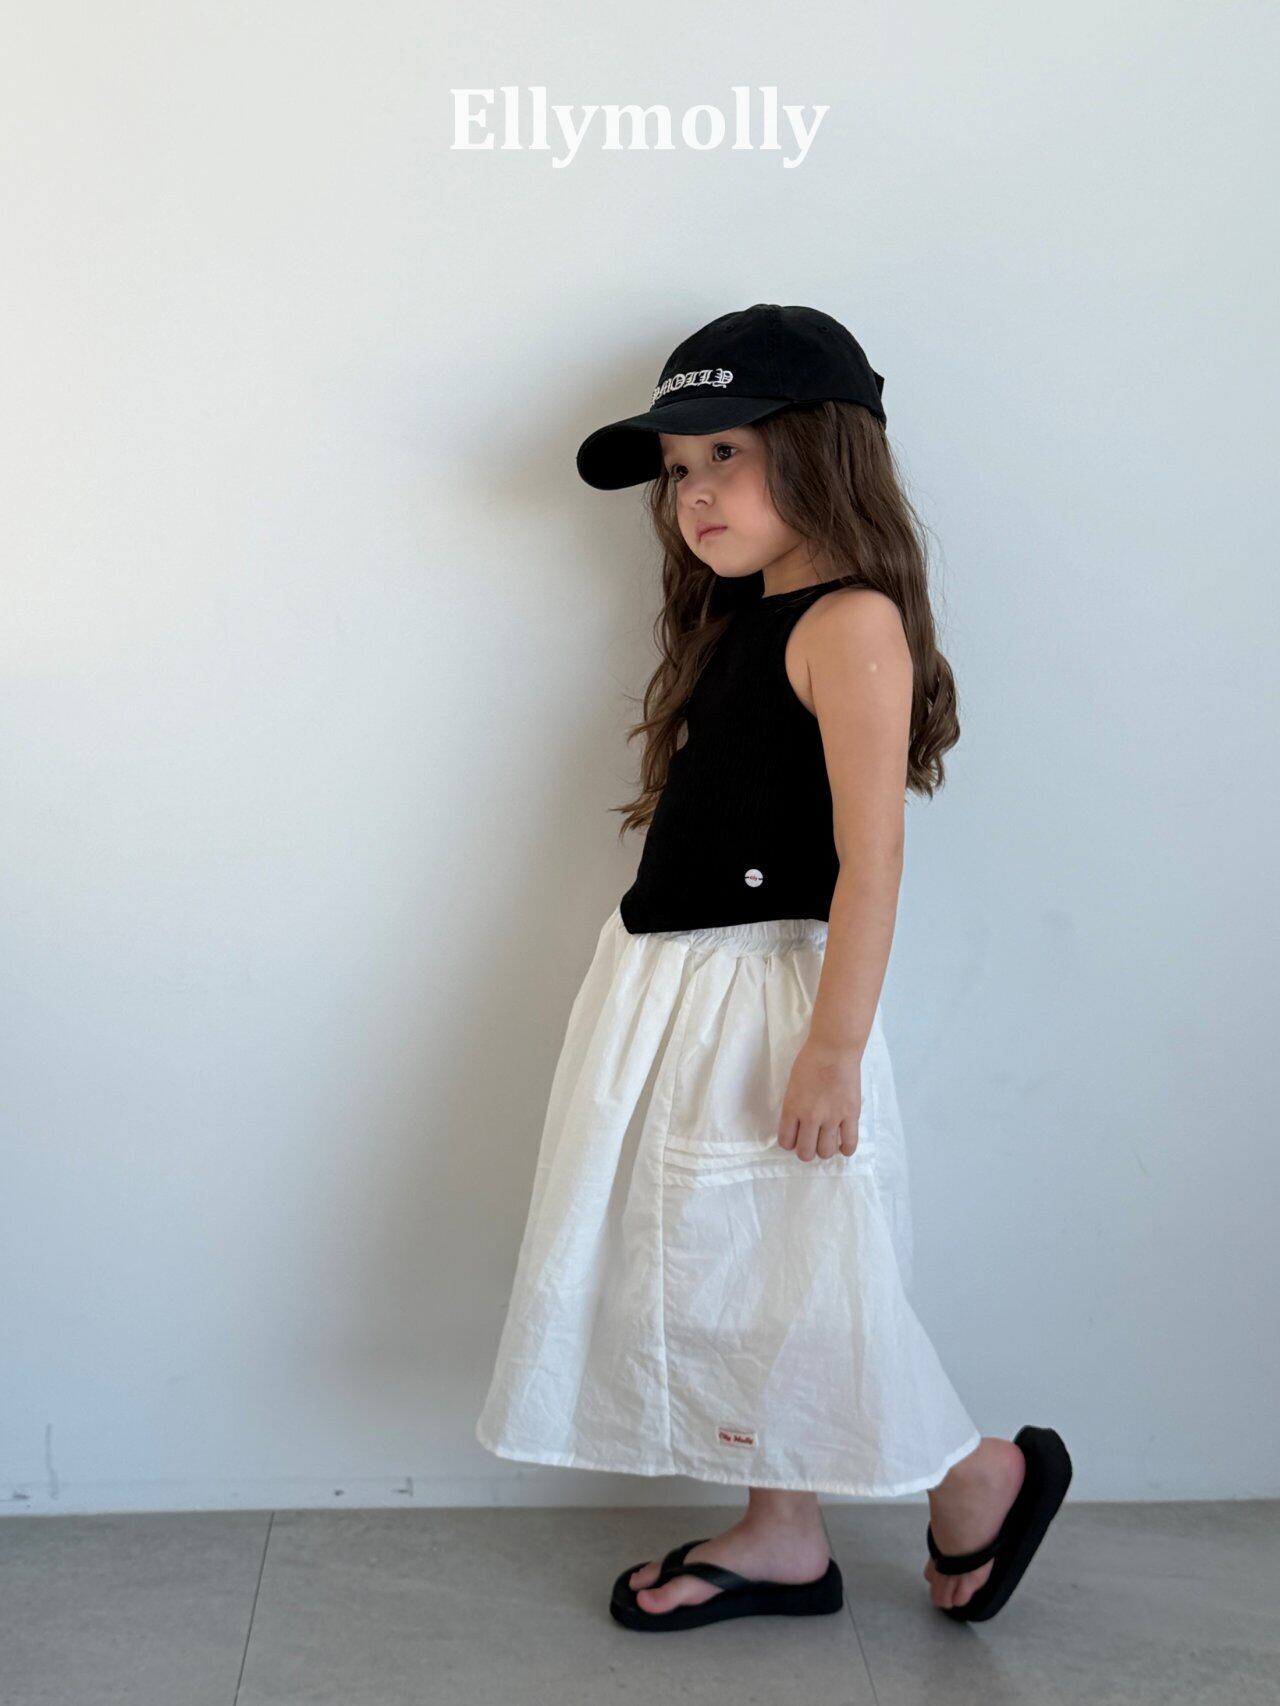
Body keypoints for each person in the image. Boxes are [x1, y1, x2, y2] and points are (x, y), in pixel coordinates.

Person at [475, 303, 1072, 1632]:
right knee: (737, 1267)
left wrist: (833, 1047)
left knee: (790, 1266)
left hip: (767, 1004)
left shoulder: (848, 622)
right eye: (677, 469)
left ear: (822, 450)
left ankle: (975, 1474)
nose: (693, 493)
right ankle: (786, 1530)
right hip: (684, 992)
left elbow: (873, 858)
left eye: (724, 454)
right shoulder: (749, 617)